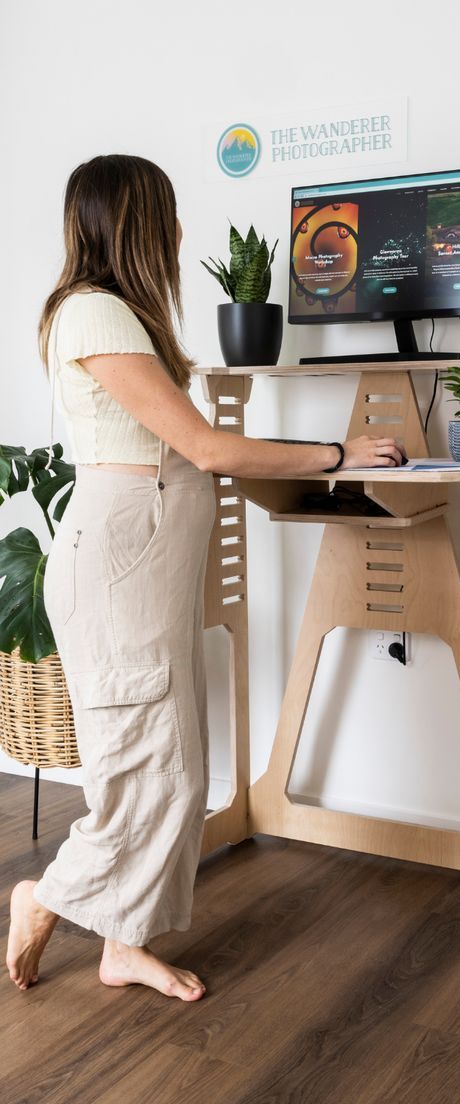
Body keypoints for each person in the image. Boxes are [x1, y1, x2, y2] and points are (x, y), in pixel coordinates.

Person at [5, 154, 405, 1002]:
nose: (181, 231)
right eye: (169, 214)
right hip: (116, 575)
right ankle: (44, 894)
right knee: (135, 771)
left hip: (145, 574)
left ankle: (122, 944)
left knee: (177, 773)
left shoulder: (121, 317)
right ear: (136, 223)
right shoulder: (92, 314)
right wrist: (336, 456)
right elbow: (208, 448)